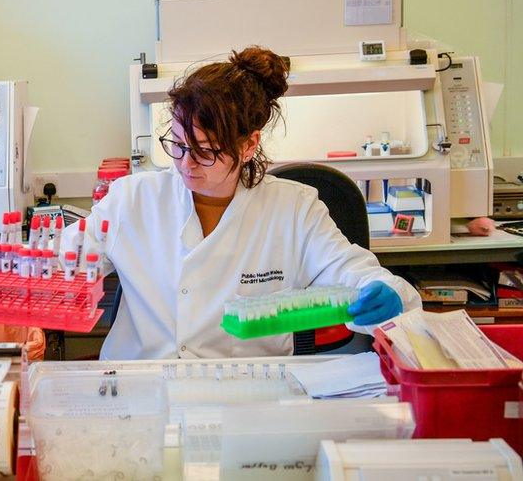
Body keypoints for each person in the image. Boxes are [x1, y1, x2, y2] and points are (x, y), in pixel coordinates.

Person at [64, 46, 421, 360]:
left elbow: (352, 273)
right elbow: (57, 264)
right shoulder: (132, 200)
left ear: (249, 145)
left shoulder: (294, 209)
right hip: (137, 387)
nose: (185, 163)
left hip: (246, 390)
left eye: (205, 151)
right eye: (177, 144)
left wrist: (385, 293)